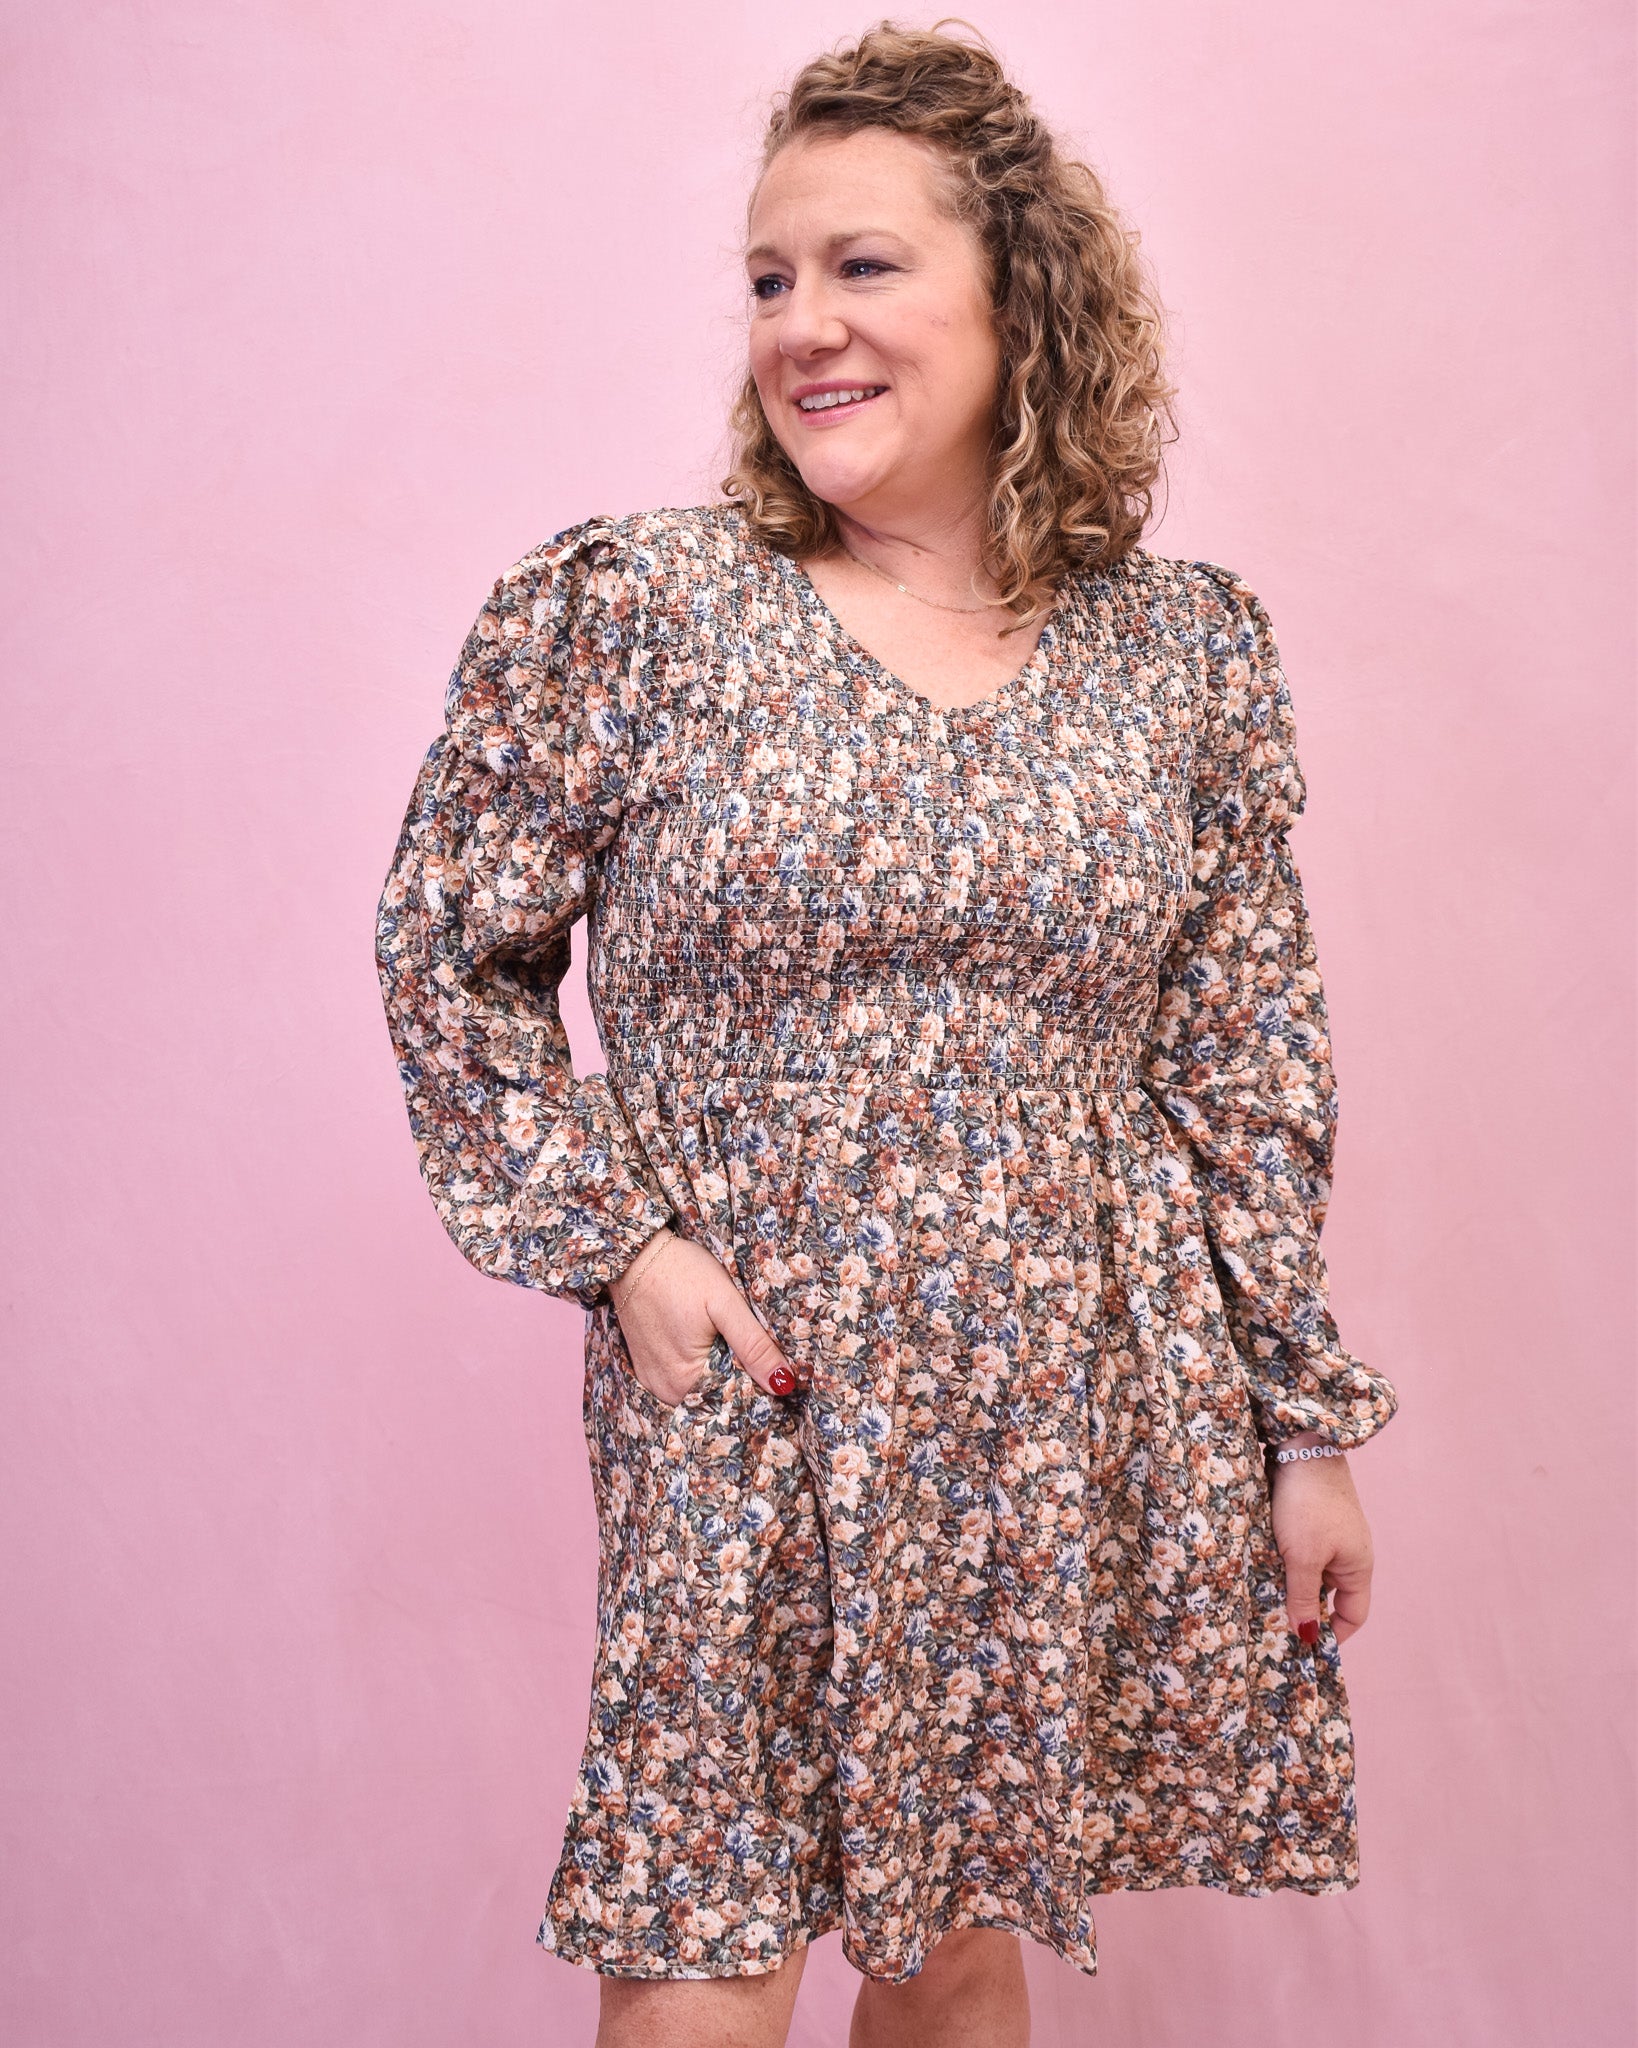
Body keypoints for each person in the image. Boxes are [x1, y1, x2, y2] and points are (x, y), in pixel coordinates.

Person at [373, 21, 1398, 2048]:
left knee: (956, 1954)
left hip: (1062, 1393)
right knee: (703, 1960)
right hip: (751, 1379)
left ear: (1018, 295)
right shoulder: (643, 610)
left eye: (859, 267)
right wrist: (628, 1248)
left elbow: (1246, 1062)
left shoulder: (1179, 653)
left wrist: (1305, 1429)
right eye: (768, 278)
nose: (800, 328)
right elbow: (445, 950)